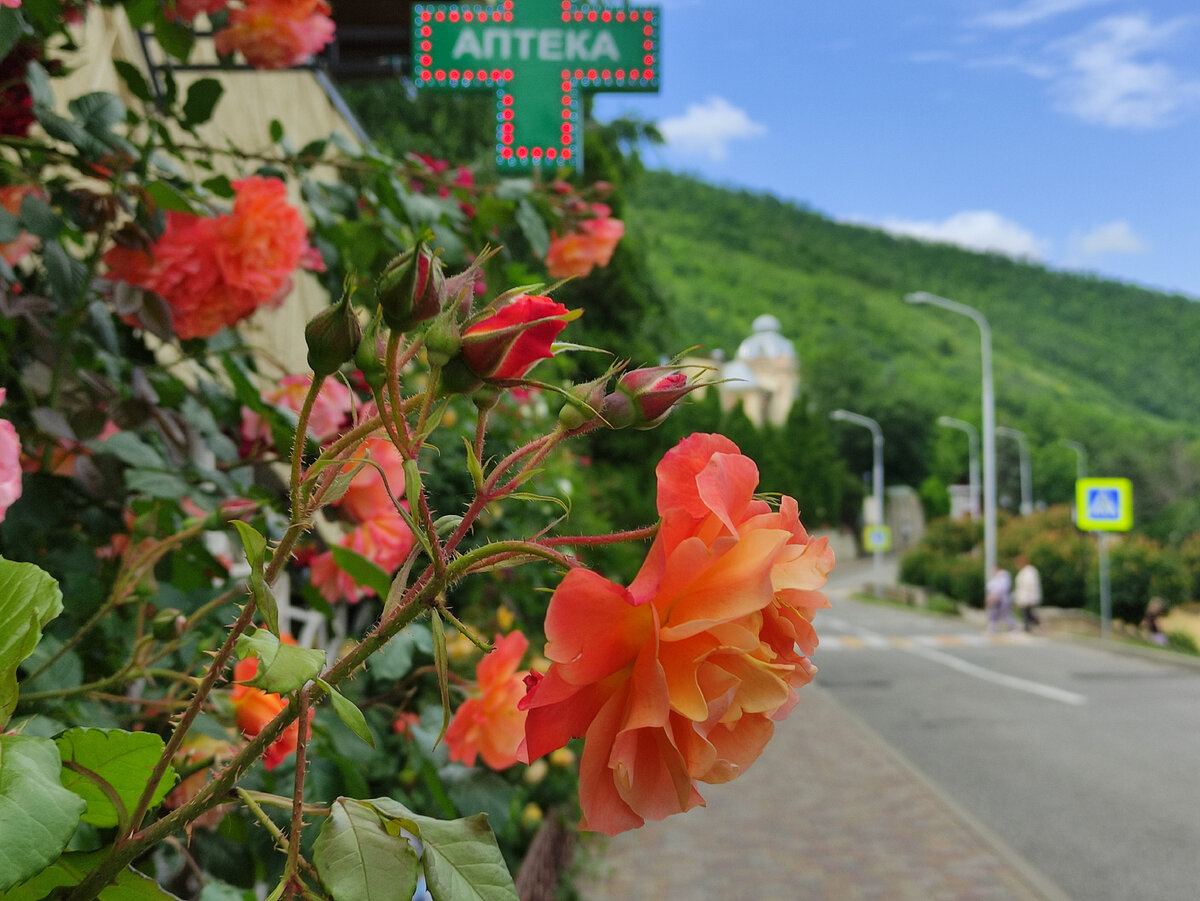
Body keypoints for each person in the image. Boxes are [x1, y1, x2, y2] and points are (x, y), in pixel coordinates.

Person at [1013, 555, 1042, 633]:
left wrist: (1028, 598)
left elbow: (1030, 585)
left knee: (1028, 614)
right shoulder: (1024, 571)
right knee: (1026, 614)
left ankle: (1033, 627)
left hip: (1028, 598)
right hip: (1024, 597)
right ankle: (1029, 627)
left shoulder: (1030, 571)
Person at [985, 565, 1017, 633]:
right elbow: (991, 588)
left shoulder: (1003, 576)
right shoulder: (995, 578)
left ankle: (1012, 627)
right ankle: (993, 628)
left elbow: (1002, 588)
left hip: (1002, 598)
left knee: (1005, 613)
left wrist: (993, 596)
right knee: (994, 613)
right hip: (995, 598)